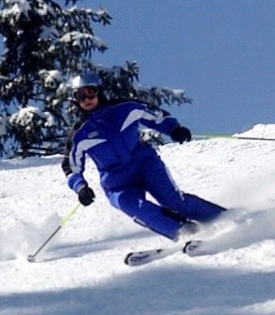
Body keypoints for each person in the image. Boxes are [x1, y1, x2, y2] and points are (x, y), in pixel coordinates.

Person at [62, 71, 225, 240]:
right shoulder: (79, 134)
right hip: (117, 183)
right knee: (132, 206)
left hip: (146, 165)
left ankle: (225, 219)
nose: (86, 99)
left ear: (100, 91)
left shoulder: (125, 108)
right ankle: (184, 232)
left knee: (173, 201)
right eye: (80, 96)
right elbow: (71, 166)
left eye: (90, 92)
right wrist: (80, 187)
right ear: (75, 100)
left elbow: (155, 116)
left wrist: (174, 129)